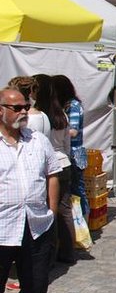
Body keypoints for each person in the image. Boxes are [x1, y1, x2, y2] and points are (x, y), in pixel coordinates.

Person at [0, 87, 61, 293]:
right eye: (17, 107)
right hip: (2, 225)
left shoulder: (37, 140)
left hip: (35, 223)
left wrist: (51, 211)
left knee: (36, 280)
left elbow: (53, 174)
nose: (24, 111)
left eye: (26, 106)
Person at [29, 75, 75, 264]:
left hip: (49, 166)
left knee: (50, 211)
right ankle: (68, 251)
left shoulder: (39, 116)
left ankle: (49, 254)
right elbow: (67, 144)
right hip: (64, 162)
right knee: (64, 211)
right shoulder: (60, 114)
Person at [51, 75, 86, 209]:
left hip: (74, 153)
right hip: (72, 152)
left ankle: (83, 223)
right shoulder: (68, 104)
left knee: (78, 191)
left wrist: (57, 134)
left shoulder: (73, 105)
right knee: (74, 191)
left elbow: (73, 131)